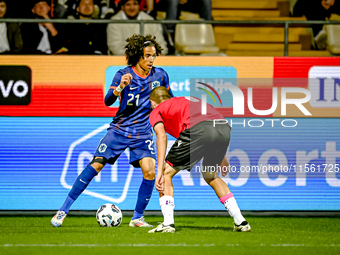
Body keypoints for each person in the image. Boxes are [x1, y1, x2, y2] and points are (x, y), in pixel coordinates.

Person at [51, 34, 174, 228]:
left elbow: (169, 102)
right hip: (119, 130)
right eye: (147, 56)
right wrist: (119, 89)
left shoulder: (161, 76)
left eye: (154, 56)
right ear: (137, 56)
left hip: (142, 132)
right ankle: (62, 210)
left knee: (150, 171)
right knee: (96, 166)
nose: (151, 60)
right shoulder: (123, 74)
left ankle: (137, 218)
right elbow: (108, 100)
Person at [147, 87, 251, 233]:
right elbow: (211, 122)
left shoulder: (156, 110)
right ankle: (241, 221)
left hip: (199, 129)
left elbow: (161, 136)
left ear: (152, 103)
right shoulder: (183, 101)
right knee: (211, 175)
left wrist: (159, 171)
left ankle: (168, 223)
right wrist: (223, 157)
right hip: (224, 128)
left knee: (165, 174)